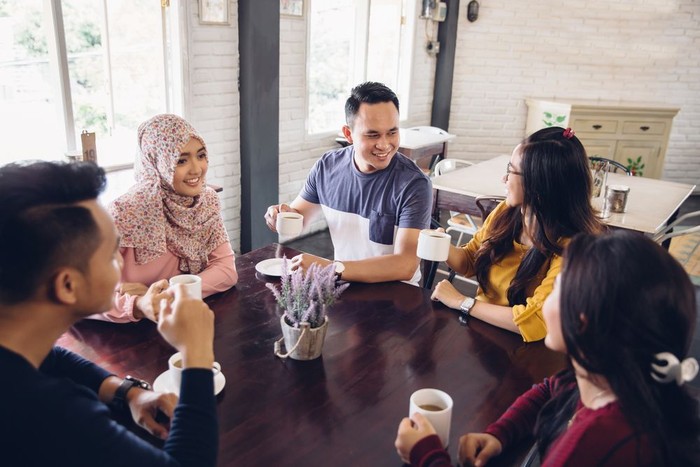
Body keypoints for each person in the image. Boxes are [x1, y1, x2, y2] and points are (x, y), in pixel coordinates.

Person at [396, 230, 700, 466]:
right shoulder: (612, 376)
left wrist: (426, 454)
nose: (542, 302)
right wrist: (500, 433)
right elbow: (550, 390)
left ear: (582, 322)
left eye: (555, 290)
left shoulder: (599, 439)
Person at [0, 161, 219, 466]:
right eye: (110, 255)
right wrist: (196, 354)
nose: (120, 266)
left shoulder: (17, 347)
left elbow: (53, 360)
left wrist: (127, 393)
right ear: (67, 284)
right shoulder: (48, 414)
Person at [431, 127, 603, 342]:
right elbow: (470, 261)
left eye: (511, 171)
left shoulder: (573, 245)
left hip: (528, 350)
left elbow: (537, 321)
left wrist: (462, 302)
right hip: (482, 330)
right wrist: (443, 246)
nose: (504, 178)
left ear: (539, 183)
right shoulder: (507, 211)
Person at [264, 82, 432, 285]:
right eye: (372, 134)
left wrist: (330, 268)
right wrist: (280, 215)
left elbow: (405, 265)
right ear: (348, 134)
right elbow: (299, 218)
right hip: (343, 286)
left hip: (396, 296)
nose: (384, 144)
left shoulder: (414, 184)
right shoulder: (326, 167)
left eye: (392, 132)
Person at [97, 114, 237, 323]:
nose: (197, 169)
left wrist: (166, 293)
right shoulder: (125, 212)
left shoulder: (205, 201)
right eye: (181, 160)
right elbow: (80, 298)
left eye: (200, 155)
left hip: (184, 324)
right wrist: (137, 305)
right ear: (158, 162)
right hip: (126, 336)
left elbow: (226, 271)